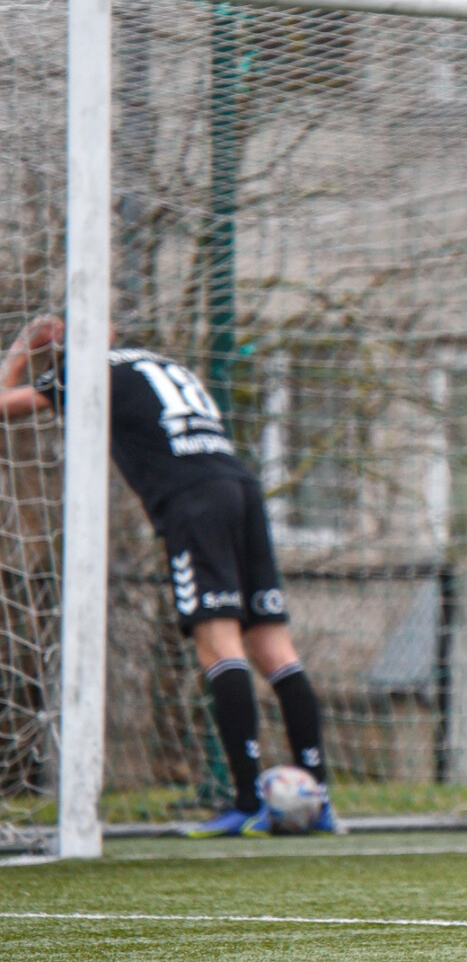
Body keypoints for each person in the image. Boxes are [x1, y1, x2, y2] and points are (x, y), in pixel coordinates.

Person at [0, 316, 338, 837]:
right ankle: (319, 800)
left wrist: (22, 350)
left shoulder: (84, 369)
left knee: (218, 646)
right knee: (275, 649)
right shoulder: (160, 363)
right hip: (239, 488)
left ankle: (248, 802)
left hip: (192, 501)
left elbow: (5, 404)